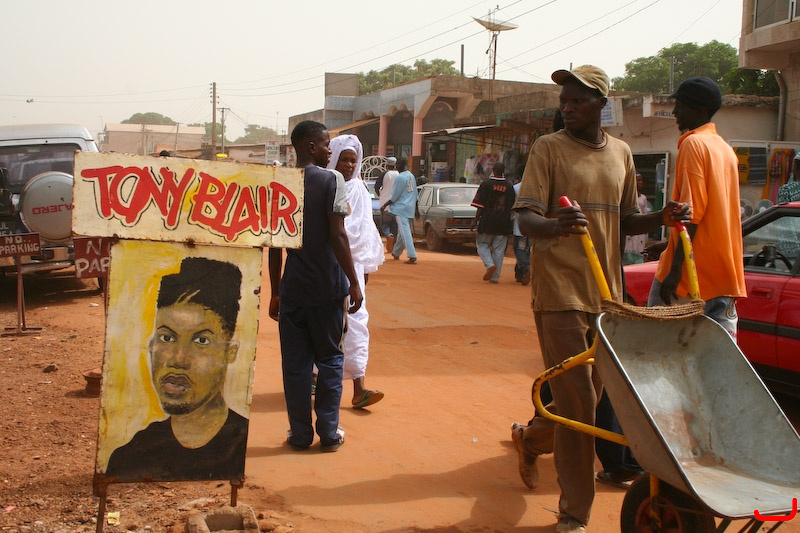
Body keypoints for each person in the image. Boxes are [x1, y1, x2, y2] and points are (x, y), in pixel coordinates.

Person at [511, 65, 689, 532]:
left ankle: (531, 439)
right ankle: (575, 513)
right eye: (563, 101)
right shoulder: (548, 148)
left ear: (600, 105)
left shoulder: (622, 153)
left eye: (577, 101)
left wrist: (662, 218)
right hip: (559, 291)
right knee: (579, 404)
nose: (567, 108)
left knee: (589, 399)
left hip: (606, 294)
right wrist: (555, 225)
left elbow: (626, 220)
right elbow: (526, 218)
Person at [105, 257, 248, 481]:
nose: (178, 360)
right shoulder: (129, 457)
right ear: (151, 346)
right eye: (167, 337)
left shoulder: (240, 450)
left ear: (230, 353)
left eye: (201, 341)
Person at [268, 120, 363, 453]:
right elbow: (337, 234)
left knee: (295, 366)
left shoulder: (280, 183)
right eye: (325, 145)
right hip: (327, 288)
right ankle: (329, 432)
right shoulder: (331, 180)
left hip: (293, 289)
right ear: (311, 146)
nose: (328, 150)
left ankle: (300, 434)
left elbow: (274, 245)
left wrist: (275, 291)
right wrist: (354, 282)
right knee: (330, 359)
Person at [647, 76, 746, 339]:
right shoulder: (724, 148)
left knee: (656, 353)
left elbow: (691, 215)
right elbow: (714, 215)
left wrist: (675, 269)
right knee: (708, 361)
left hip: (690, 280)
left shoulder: (693, 144)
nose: (675, 112)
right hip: (723, 279)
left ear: (700, 111)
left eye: (680, 106)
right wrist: (668, 245)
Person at [326, 134, 386, 409]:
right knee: (324, 322)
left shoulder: (360, 190)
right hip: (325, 263)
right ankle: (314, 378)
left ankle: (359, 387)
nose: (349, 165)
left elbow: (365, 231)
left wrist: (362, 273)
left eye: (353, 160)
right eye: (344, 159)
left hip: (354, 269)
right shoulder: (324, 185)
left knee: (357, 323)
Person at [470, 161, 515, 283]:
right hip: (503, 222)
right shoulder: (509, 186)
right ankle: (495, 278)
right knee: (499, 250)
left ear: (493, 171)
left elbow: (480, 206)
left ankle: (489, 265)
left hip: (487, 221)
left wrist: (475, 221)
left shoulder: (486, 184)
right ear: (503, 171)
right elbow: (512, 207)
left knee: (482, 244)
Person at [381, 157, 418, 264]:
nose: (396, 166)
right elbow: (415, 193)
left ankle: (412, 255)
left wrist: (385, 205)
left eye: (398, 165)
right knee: (403, 232)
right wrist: (417, 208)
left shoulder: (400, 177)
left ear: (399, 166)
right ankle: (396, 252)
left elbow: (394, 196)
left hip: (401, 209)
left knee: (405, 232)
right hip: (410, 208)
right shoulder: (411, 176)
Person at [623, 173, 650, 265]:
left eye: (641, 180)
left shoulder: (643, 198)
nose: (640, 183)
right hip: (629, 229)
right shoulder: (627, 197)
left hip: (639, 230)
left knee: (639, 255)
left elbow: (645, 214)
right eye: (637, 180)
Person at [374, 157, 399, 251]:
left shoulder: (383, 174)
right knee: (394, 225)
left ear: (386, 165)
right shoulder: (399, 175)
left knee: (384, 224)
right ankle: (393, 245)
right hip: (396, 205)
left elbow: (376, 187)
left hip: (384, 204)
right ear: (395, 165)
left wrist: (381, 196)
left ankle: (388, 235)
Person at [512, 178, 531, 285]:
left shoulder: (516, 188)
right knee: (527, 250)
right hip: (536, 225)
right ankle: (520, 274)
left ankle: (527, 266)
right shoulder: (540, 187)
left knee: (519, 249)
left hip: (520, 226)